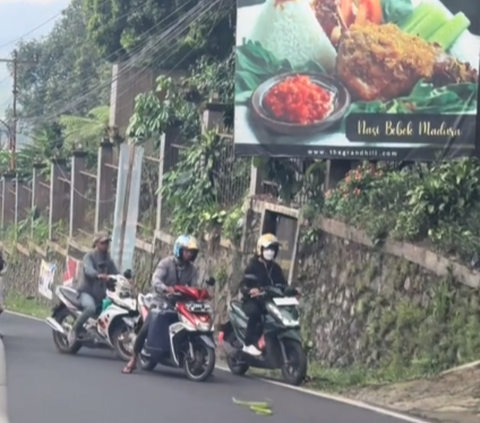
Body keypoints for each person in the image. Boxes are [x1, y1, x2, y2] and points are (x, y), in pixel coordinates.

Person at [122, 234, 199, 374]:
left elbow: (194, 287)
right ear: (179, 250)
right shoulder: (166, 263)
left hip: (180, 303)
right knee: (148, 324)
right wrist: (165, 288)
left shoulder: (192, 269)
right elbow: (155, 280)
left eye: (192, 252)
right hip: (160, 300)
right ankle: (133, 359)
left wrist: (198, 295)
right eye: (187, 251)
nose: (189, 254)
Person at [240, 233, 288, 356]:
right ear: (260, 249)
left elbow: (283, 284)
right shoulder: (253, 266)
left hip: (270, 302)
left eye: (273, 249)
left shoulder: (276, 268)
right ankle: (248, 344)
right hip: (253, 301)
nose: (270, 252)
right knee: (256, 312)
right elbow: (243, 285)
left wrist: (292, 291)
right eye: (267, 249)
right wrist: (250, 290)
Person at [68, 231, 119, 346]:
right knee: (90, 308)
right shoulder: (89, 256)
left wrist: (125, 278)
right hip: (87, 292)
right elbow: (88, 269)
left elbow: (116, 273)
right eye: (103, 243)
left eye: (107, 242)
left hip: (102, 295)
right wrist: (97, 275)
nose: (106, 245)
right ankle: (74, 330)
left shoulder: (108, 261)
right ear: (96, 243)